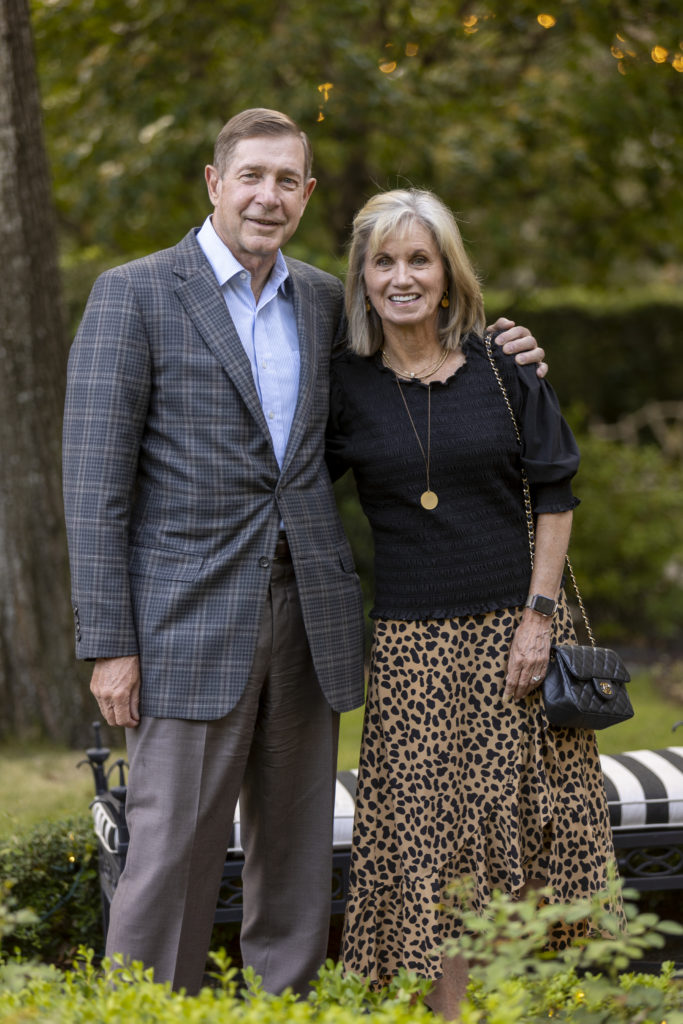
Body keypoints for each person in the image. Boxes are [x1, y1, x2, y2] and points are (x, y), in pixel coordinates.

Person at [62, 109, 546, 997]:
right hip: (183, 624)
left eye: (286, 180)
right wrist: (109, 642)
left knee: (293, 852)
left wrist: (503, 351)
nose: (268, 196)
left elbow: (418, 361)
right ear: (215, 183)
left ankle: (281, 1010)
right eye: (251, 176)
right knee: (169, 850)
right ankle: (141, 1012)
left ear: (308, 194)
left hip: (309, 614)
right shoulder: (135, 294)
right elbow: (94, 488)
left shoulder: (326, 302)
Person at [326, 189, 621, 1018]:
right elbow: (290, 482)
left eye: (419, 259)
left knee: (527, 827)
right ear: (362, 278)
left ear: (448, 274)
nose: (402, 277)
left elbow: (554, 493)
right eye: (383, 262)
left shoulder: (502, 367)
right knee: (430, 846)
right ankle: (449, 1013)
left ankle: (537, 1001)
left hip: (513, 632)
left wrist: (537, 617)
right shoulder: (342, 384)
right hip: (410, 647)